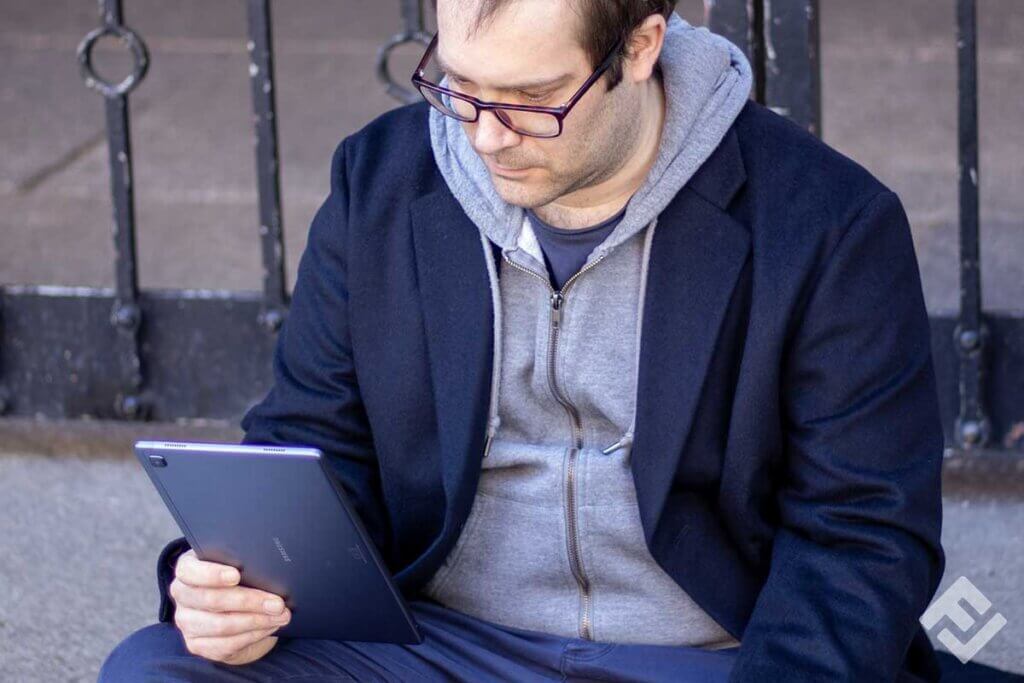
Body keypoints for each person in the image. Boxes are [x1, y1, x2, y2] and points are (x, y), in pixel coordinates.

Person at [99, 0, 947, 680]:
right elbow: (309, 448)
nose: (484, 134)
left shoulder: (828, 223)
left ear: (641, 46)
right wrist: (227, 589)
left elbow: (862, 536)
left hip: (708, 659)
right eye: (460, 84)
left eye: (531, 100)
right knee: (152, 667)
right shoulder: (381, 184)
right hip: (440, 645)